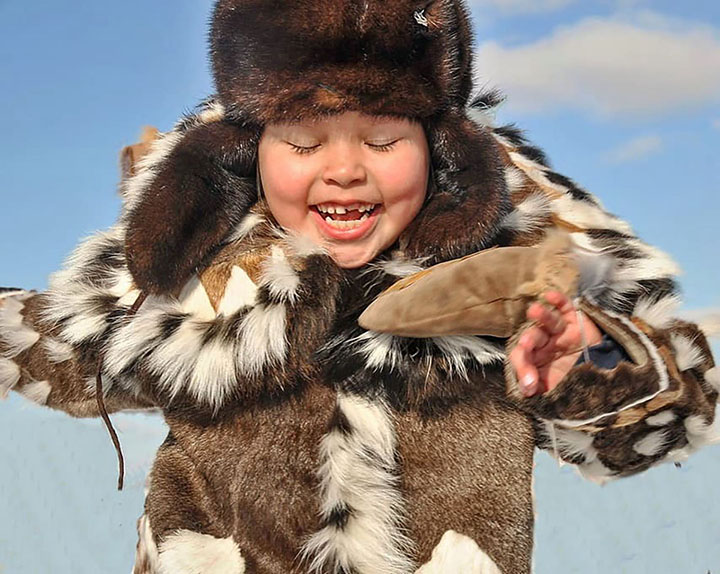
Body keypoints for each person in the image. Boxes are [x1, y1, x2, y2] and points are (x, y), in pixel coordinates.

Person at [1, 1, 717, 573]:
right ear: (249, 157)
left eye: (381, 141)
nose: (343, 170)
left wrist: (590, 367)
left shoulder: (521, 287)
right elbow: (59, 348)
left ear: (443, 156)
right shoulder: (194, 294)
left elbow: (660, 427)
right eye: (305, 144)